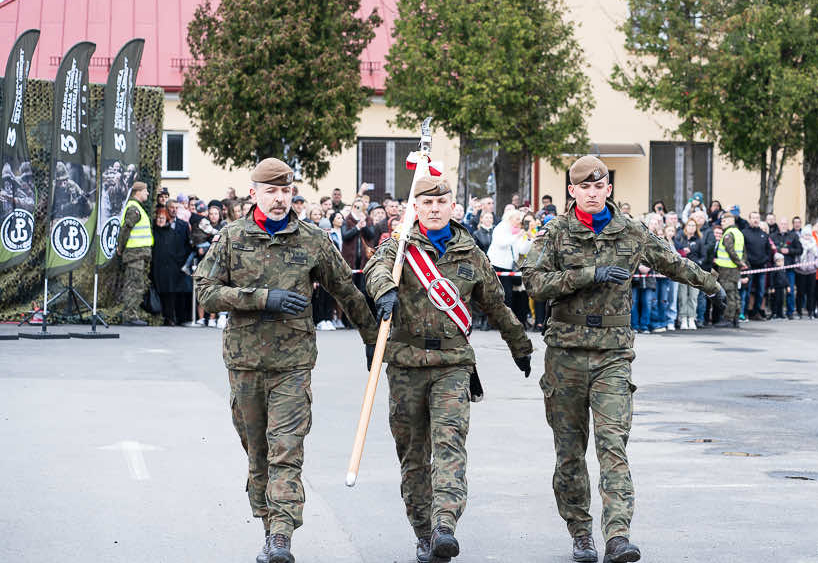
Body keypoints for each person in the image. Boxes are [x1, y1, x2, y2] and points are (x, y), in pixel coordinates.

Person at [522, 156, 724, 563]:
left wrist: (709, 284)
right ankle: (581, 534)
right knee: (569, 450)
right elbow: (533, 280)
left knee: (613, 444)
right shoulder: (556, 232)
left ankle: (617, 535)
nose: (594, 194)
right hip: (566, 355)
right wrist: (588, 274)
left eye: (600, 187)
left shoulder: (630, 231)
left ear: (609, 190)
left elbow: (671, 260)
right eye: (586, 187)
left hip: (613, 354)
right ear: (573, 191)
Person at [194, 158, 377, 563]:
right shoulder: (231, 238)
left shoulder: (311, 239)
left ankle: (281, 536)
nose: (280, 199)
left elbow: (345, 289)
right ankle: (267, 524)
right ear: (254, 192)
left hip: (293, 365)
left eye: (285, 191)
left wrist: (370, 336)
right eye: (271, 191)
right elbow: (205, 291)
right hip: (244, 365)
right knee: (258, 452)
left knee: (286, 450)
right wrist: (260, 298)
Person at [364, 175, 532, 563]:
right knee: (412, 455)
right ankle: (423, 531)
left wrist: (519, 345)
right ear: (416, 208)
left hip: (453, 366)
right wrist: (384, 290)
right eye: (427, 203)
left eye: (442, 203)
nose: (435, 209)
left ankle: (444, 525)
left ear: (452, 207)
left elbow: (496, 304)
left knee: (450, 445)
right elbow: (376, 269)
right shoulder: (400, 246)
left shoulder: (469, 252)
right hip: (406, 365)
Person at [117, 181, 153, 326]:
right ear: (138, 192)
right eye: (145, 191)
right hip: (134, 255)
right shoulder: (134, 209)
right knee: (133, 285)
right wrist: (121, 247)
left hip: (137, 255)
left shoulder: (136, 207)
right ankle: (130, 316)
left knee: (136, 284)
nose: (148, 193)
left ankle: (132, 314)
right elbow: (125, 229)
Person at [150, 208, 189, 325]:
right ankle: (159, 317)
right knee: (159, 292)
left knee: (170, 294)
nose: (160, 220)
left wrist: (177, 264)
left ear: (167, 219)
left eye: (162, 218)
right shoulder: (154, 232)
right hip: (157, 267)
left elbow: (180, 251)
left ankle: (170, 317)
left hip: (171, 269)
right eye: (158, 218)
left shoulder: (172, 233)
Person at [714, 211, 747, 328]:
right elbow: (743, 251)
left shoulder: (728, 233)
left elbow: (730, 250)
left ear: (730, 221)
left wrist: (739, 263)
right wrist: (742, 263)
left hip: (727, 269)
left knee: (728, 294)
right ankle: (736, 317)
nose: (722, 223)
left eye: (723, 220)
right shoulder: (739, 233)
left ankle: (728, 318)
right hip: (734, 269)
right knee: (735, 293)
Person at [739, 211, 771, 321]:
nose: (756, 220)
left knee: (761, 291)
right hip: (749, 267)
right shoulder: (744, 233)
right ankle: (745, 312)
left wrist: (765, 260)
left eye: (757, 218)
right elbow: (742, 250)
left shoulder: (764, 234)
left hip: (761, 267)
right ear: (749, 219)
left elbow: (768, 250)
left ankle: (756, 312)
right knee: (747, 291)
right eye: (753, 218)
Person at [770, 218, 802, 319]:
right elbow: (770, 248)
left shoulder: (793, 236)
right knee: (775, 292)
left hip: (789, 267)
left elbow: (800, 250)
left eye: (785, 224)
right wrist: (779, 250)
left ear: (788, 225)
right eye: (781, 224)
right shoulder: (773, 236)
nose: (783, 226)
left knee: (790, 290)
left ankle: (790, 312)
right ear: (778, 225)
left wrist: (789, 251)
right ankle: (775, 312)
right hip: (776, 269)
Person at [675, 218, 704, 330]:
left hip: (695, 272)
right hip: (682, 271)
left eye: (693, 225)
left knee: (693, 296)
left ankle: (691, 318)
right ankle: (683, 318)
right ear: (685, 227)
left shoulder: (699, 240)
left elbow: (703, 256)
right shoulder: (680, 239)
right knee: (682, 296)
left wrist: (698, 264)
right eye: (689, 225)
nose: (691, 227)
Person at [795, 226, 818, 319]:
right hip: (800, 271)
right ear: (802, 235)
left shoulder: (814, 244)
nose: (807, 236)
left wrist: (815, 266)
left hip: (811, 272)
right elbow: (796, 257)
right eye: (805, 235)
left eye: (809, 235)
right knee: (800, 292)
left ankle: (811, 311)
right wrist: (799, 266)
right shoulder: (799, 243)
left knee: (811, 292)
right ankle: (799, 312)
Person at [769, 253, 790, 319]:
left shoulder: (783, 269)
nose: (781, 263)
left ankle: (780, 313)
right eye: (779, 261)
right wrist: (772, 287)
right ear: (775, 261)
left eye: (782, 261)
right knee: (775, 301)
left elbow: (785, 278)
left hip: (782, 287)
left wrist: (787, 286)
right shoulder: (774, 269)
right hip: (776, 287)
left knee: (781, 301)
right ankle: (774, 313)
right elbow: (771, 278)